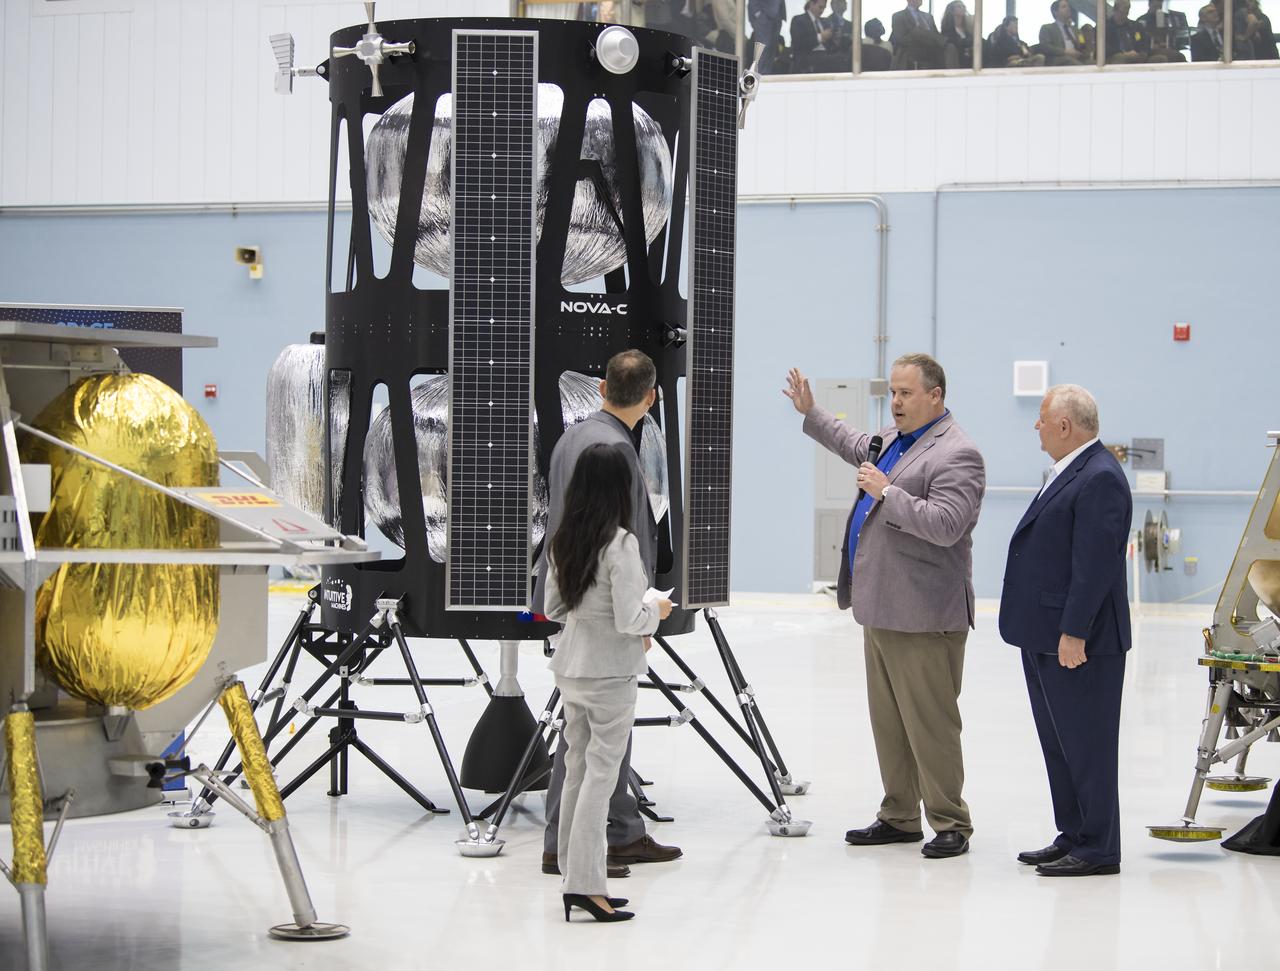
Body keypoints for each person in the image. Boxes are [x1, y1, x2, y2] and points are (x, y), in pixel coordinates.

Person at [785, 354, 985, 860]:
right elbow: (854, 445)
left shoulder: (957, 453)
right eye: (893, 393)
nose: (895, 402)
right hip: (881, 608)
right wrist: (812, 412)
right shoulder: (894, 440)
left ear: (935, 395)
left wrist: (886, 492)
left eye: (906, 393)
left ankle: (951, 822)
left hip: (924, 615)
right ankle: (899, 815)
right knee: (890, 722)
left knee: (931, 723)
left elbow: (945, 525)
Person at [534, 350, 683, 879]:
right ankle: (589, 848)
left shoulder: (570, 438)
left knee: (579, 747)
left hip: (571, 608)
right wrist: (641, 616)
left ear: (600, 387)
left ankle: (589, 840)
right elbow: (630, 540)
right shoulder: (618, 449)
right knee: (599, 752)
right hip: (610, 617)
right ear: (653, 397)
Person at [998, 385, 1131, 877]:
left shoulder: (1099, 477)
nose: (1035, 426)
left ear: (1065, 426)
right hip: (1043, 634)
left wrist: (1074, 631)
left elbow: (1094, 565)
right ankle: (1073, 834)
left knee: (1088, 745)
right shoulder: (1071, 471)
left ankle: (1098, 847)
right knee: (1061, 744)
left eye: (1041, 418)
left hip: (1079, 641)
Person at [544, 444, 674, 923]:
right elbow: (629, 619)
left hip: (570, 668)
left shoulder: (564, 538)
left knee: (577, 772)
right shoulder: (621, 544)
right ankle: (584, 885)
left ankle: (576, 878)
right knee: (601, 776)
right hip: (609, 673)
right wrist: (656, 613)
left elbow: (555, 610)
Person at [890, 0, 947, 68]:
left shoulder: (928, 16)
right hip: (913, 47)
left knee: (950, 47)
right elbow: (899, 38)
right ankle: (945, 42)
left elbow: (936, 35)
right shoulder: (898, 16)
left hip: (931, 47)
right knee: (917, 31)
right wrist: (918, 33)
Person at [790, 0, 844, 71]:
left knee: (843, 57)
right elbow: (798, 43)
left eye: (824, 8)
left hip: (825, 55)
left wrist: (836, 39)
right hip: (809, 56)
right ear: (811, 4)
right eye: (820, 7)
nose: (822, 11)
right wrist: (820, 37)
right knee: (837, 60)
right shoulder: (798, 20)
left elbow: (830, 45)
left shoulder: (825, 22)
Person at [749, 0, 789, 73]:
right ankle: (759, 78)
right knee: (764, 47)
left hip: (776, 15)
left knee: (771, 50)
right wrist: (757, 13)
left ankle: (765, 77)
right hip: (764, 16)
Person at [940, 0, 975, 66]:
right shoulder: (947, 29)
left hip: (970, 59)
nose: (963, 8)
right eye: (959, 6)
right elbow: (952, 42)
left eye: (963, 6)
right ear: (952, 10)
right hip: (957, 59)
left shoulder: (967, 28)